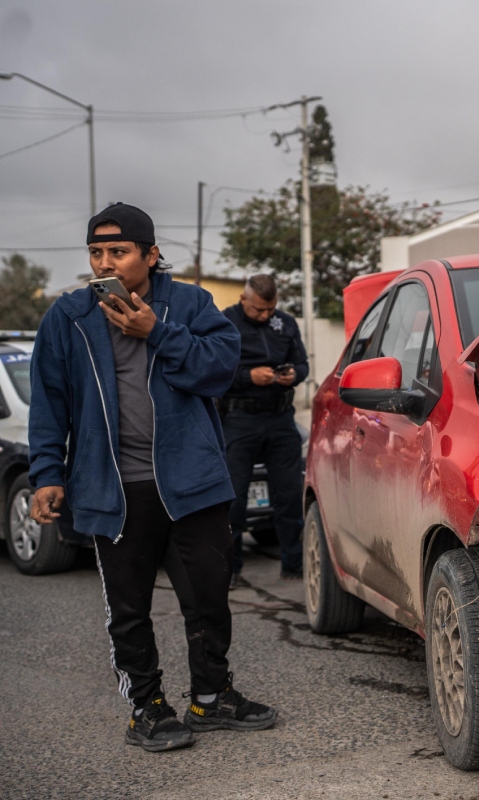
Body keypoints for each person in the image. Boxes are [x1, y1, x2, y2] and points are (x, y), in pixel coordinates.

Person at [28, 203, 277, 752]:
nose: (105, 262)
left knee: (208, 598)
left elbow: (219, 371)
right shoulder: (68, 316)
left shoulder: (189, 304)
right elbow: (49, 402)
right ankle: (147, 707)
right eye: (96, 252)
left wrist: (157, 332)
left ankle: (211, 697)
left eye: (118, 251)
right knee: (129, 607)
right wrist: (47, 473)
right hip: (115, 488)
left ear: (150, 254)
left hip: (192, 482)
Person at [220, 274, 309, 584]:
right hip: (239, 420)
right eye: (258, 309)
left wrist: (293, 375)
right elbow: (212, 370)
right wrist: (248, 376)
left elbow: (302, 365)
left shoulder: (285, 323)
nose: (265, 315)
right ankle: (230, 571)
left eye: (270, 309)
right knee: (233, 500)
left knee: (289, 496)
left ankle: (293, 565)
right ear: (243, 299)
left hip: (281, 419)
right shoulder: (224, 322)